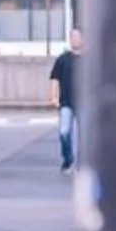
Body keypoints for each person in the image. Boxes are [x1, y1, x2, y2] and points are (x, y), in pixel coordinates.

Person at [51, 27, 83, 172]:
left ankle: (83, 162)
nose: (75, 40)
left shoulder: (90, 59)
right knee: (64, 132)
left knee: (85, 134)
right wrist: (54, 97)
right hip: (66, 102)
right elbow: (54, 79)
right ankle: (68, 159)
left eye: (78, 37)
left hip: (84, 102)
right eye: (73, 37)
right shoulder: (63, 59)